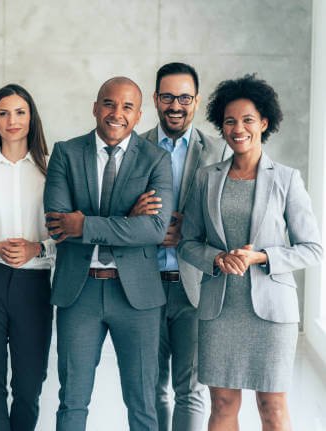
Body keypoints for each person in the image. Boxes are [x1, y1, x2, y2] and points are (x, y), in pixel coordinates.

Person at [178, 74, 322, 431]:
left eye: (247, 120)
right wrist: (216, 258)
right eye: (229, 121)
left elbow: (313, 249)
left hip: (272, 313)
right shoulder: (206, 177)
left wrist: (261, 257)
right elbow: (187, 242)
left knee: (271, 406)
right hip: (219, 309)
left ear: (264, 123)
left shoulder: (287, 179)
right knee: (223, 403)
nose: (237, 128)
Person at [44, 76, 173, 431]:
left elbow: (154, 230)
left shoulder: (156, 160)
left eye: (127, 106)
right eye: (109, 104)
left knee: (143, 403)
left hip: (139, 298)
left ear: (139, 115)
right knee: (72, 400)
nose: (117, 113)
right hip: (78, 292)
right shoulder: (66, 153)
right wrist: (127, 219)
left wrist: (86, 224)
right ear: (95, 107)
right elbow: (58, 226)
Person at [132, 62, 228, 431]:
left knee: (190, 389)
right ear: (155, 99)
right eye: (168, 96)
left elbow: (227, 222)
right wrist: (146, 223)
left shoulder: (219, 152)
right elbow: (117, 214)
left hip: (194, 286)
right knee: (150, 388)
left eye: (184, 97)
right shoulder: (135, 148)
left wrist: (189, 228)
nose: (176, 105)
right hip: (145, 285)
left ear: (196, 100)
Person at [0, 84, 54, 431]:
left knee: (29, 386)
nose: (12, 120)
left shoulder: (51, 171)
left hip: (34, 285)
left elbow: (64, 237)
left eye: (19, 112)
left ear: (31, 119)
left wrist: (37, 248)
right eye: (3, 113)